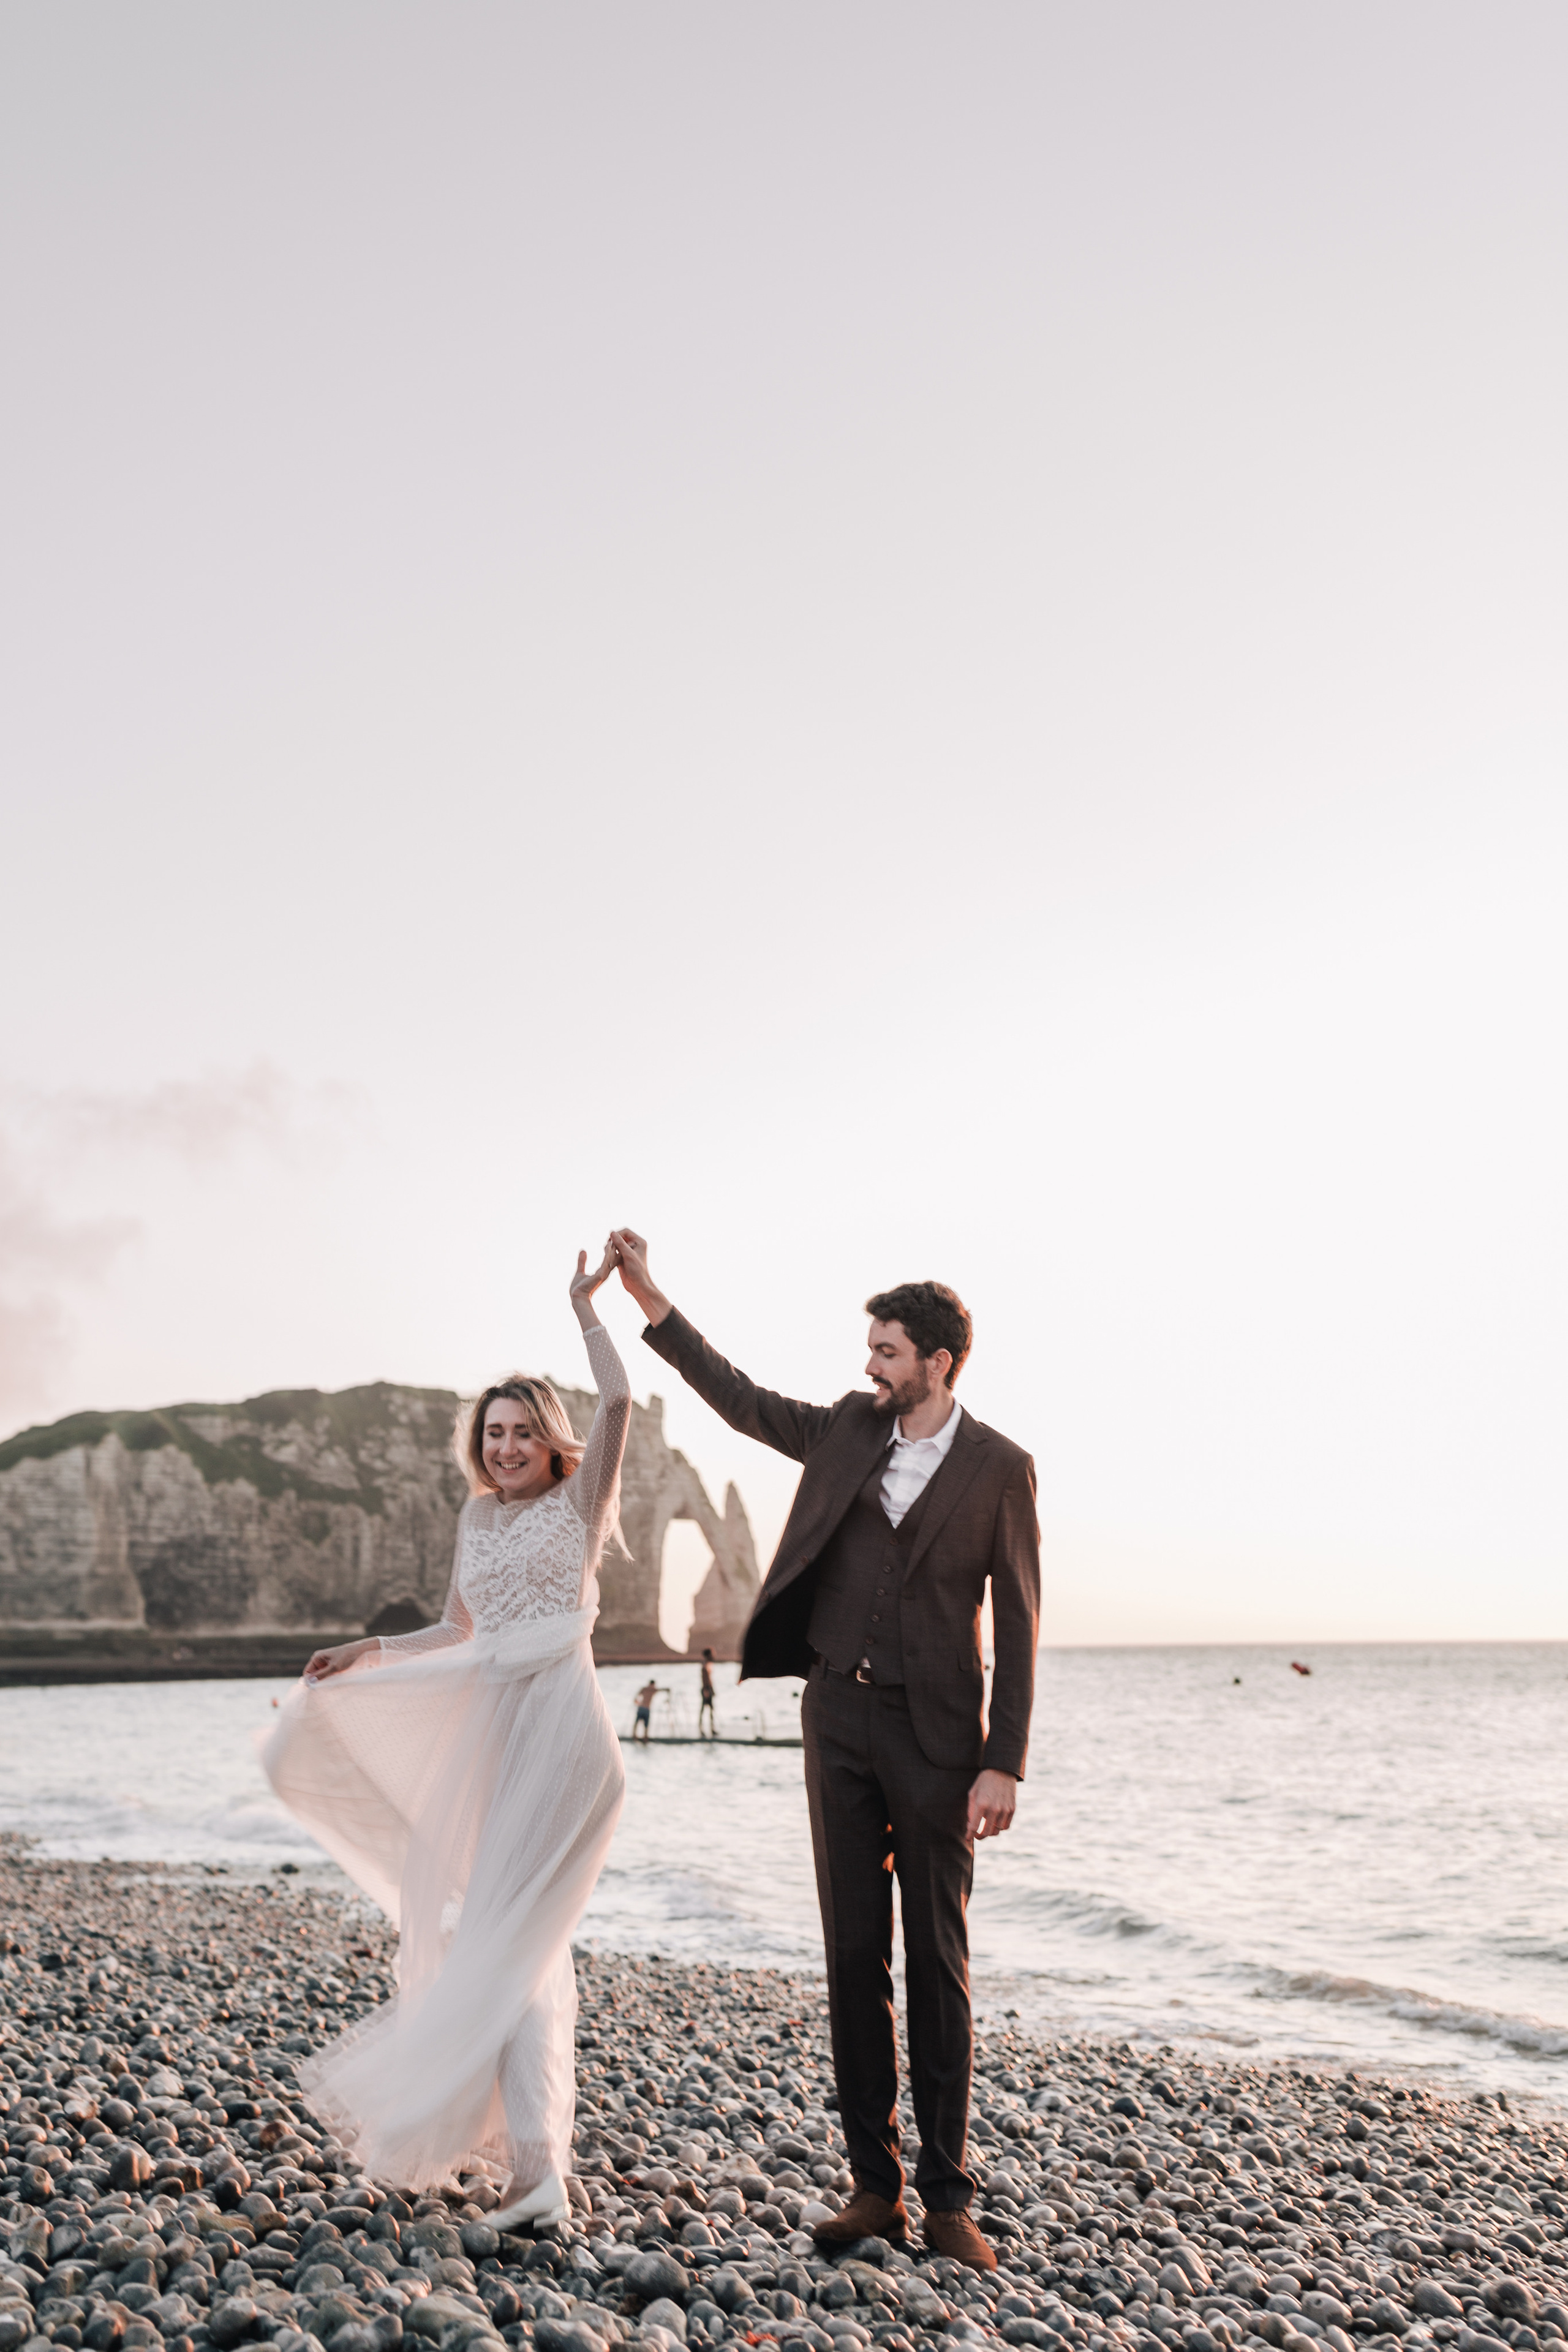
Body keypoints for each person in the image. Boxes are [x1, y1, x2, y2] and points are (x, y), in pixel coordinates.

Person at [611, 1229, 1038, 2275]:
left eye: (887, 1351)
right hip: (837, 1725)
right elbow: (741, 1397)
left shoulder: (1001, 1469)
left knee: (938, 1964)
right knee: (854, 1958)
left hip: (942, 1744)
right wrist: (650, 1301)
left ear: (938, 1360)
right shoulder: (847, 1430)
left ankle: (947, 2196)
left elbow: (1020, 1620)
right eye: (871, 1349)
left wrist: (1004, 1760)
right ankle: (872, 2188)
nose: (870, 1366)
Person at [261, 1242, 629, 2231]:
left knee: (508, 1949)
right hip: (503, 1743)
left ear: (553, 1440)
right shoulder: (478, 1518)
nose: (507, 1446)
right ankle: (537, 2171)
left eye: (522, 1432)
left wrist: (589, 1311)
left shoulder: (579, 1507)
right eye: (495, 1433)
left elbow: (622, 1407)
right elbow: (457, 1632)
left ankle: (536, 2169)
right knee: (521, 1952)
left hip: (571, 1743)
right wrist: (365, 1653)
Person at [632, 1677, 665, 1741]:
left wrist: (638, 1703)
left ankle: (637, 1736)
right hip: (645, 1709)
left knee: (639, 1723)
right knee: (644, 1724)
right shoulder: (653, 1690)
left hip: (642, 1708)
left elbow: (636, 1699)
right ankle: (643, 1737)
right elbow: (664, 1690)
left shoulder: (645, 1689)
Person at [698, 1648, 717, 1739]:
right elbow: (705, 1679)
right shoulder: (705, 1665)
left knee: (711, 1709)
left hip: (709, 1688)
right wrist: (707, 1690)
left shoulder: (709, 1664)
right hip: (706, 1689)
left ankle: (712, 1729)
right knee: (704, 1709)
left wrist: (712, 1689)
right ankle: (701, 1729)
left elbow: (710, 1679)